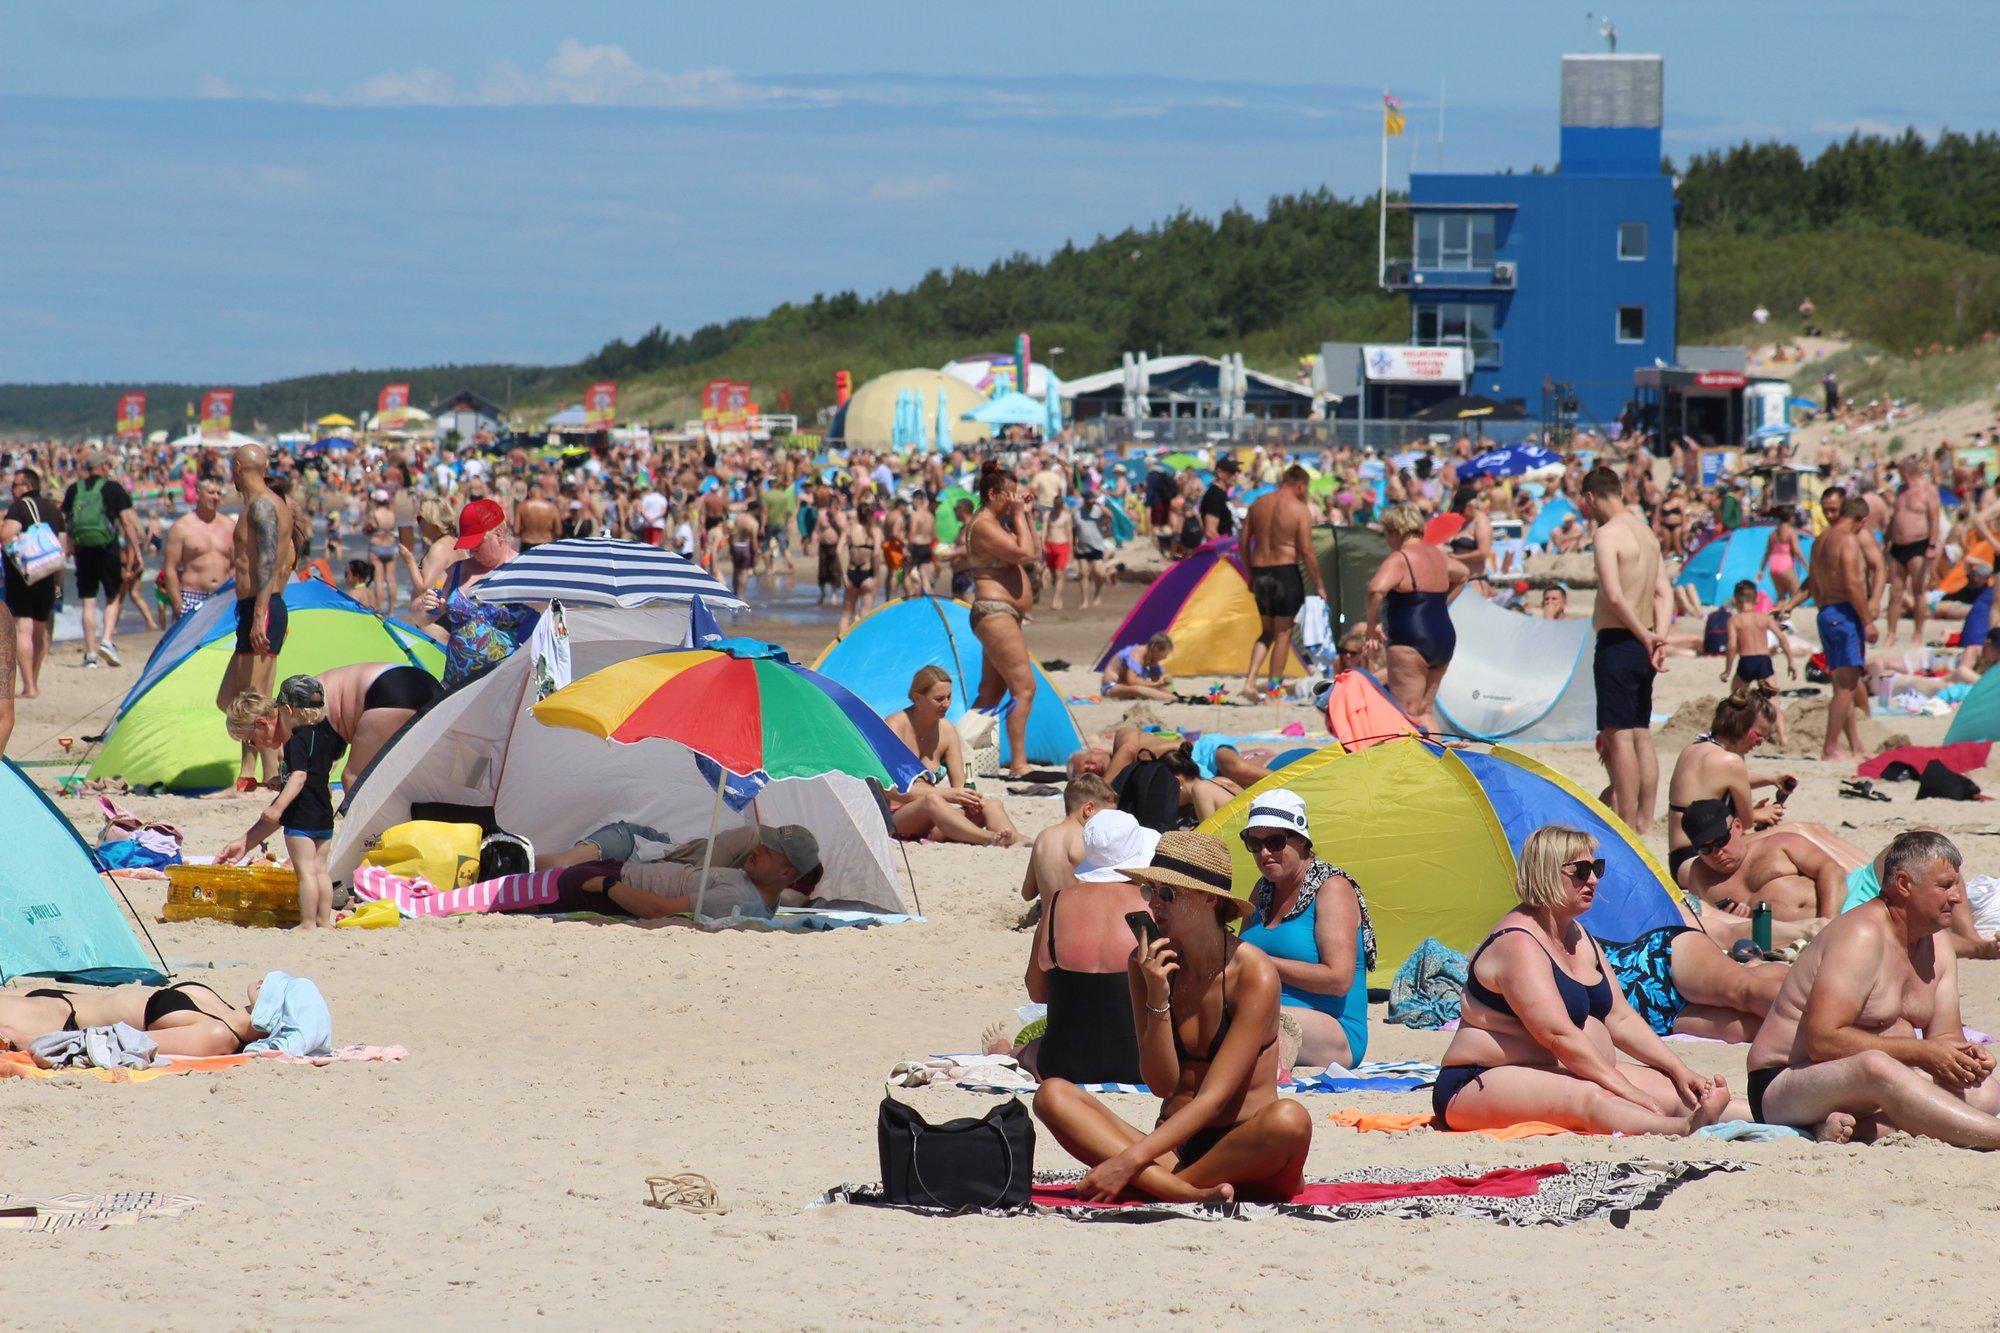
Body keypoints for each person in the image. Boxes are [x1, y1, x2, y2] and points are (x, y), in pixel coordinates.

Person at [1032, 831, 1312, 1203]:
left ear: (1209, 899)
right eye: (1150, 892)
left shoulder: (1253, 974)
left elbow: (1214, 1098)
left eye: (1167, 894)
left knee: (1290, 1119)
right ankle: (1182, 1192)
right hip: (1173, 1151)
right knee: (1051, 1094)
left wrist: (1127, 1161)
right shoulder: (1146, 963)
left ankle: (1156, 1185)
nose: (1154, 906)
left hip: (1246, 1147)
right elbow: (1162, 1084)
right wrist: (1159, 1001)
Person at [1433, 825, 1733, 1135]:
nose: (1593, 879)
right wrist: (1624, 1088)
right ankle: (1683, 1129)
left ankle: (1767, 1114)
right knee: (1593, 1098)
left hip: (1554, 1069)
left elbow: (1619, 1017)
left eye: (1596, 868)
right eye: (1581, 870)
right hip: (1477, 1080)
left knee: (1677, 1092)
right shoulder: (1518, 942)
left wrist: (1677, 1069)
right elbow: (1556, 1034)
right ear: (1547, 873)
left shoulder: (1579, 936)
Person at [1744, 831, 2000, 1146]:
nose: (1957, 898)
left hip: (1872, 1080)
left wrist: (1966, 1060)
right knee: (1876, 1065)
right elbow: (1822, 1041)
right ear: (1904, 884)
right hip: (1787, 1081)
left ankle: (1862, 1129)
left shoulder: (1938, 944)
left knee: (1985, 1091)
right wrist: (1922, 1052)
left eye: (1956, 885)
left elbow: (1945, 1037)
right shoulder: (1860, 936)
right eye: (1945, 886)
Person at [992, 811, 1160, 1082]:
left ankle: (1005, 1053)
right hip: (1143, 1065)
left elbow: (1037, 992)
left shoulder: (1057, 904)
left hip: (1063, 1063)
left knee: (1025, 1051)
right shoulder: (1155, 908)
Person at [1237, 791, 1374, 1068]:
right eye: (1255, 843)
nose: (1264, 853)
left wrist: (1260, 962)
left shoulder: (1332, 888)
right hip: (1265, 1010)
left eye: (1275, 842)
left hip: (1333, 1028)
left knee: (1247, 1020)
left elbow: (1338, 979)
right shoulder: (1262, 889)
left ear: (1301, 841)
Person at [1584, 465, 1671, 835]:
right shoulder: (1647, 533)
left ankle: (1625, 824)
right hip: (1645, 643)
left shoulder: (1607, 534)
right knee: (1641, 732)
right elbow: (1664, 593)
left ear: (1590, 498)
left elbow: (1614, 596)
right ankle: (1645, 820)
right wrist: (1657, 638)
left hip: (1621, 641)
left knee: (1619, 737)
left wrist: (1642, 634)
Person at [219, 676, 343, 930]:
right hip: (323, 815)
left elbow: (299, 776)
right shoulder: (322, 737)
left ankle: (308, 922)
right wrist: (281, 783)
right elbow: (319, 779)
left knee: (305, 872)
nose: (254, 746)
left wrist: (276, 808)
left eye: (250, 741)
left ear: (263, 723)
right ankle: (324, 921)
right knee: (321, 870)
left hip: (302, 818)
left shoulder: (294, 742)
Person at [216, 443, 298, 791]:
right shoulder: (262, 503)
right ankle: (265, 772)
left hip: (260, 607)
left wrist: (261, 612)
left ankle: (263, 775)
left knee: (251, 702)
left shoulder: (263, 504)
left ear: (237, 467)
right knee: (234, 699)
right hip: (258, 607)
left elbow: (269, 561)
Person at [538, 823, 822, 920]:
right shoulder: (747, 840)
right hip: (637, 843)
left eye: (768, 850)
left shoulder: (743, 892)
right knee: (558, 867)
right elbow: (689, 884)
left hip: (631, 872)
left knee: (557, 882)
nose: (759, 848)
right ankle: (502, 858)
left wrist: (610, 885)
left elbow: (670, 907)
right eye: (763, 844)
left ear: (786, 873)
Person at [1663, 684, 1796, 882]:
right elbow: (1747, 821)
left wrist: (1771, 780)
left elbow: (1717, 780)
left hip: (1680, 858)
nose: (1760, 742)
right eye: (1758, 735)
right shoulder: (1731, 762)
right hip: (1701, 859)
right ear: (1741, 726)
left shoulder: (1697, 746)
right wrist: (1760, 814)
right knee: (1795, 833)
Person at [409, 498, 538, 692]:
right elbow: (422, 618)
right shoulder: (457, 572)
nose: (471, 551)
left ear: (499, 535)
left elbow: (549, 624)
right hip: (456, 686)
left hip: (505, 688)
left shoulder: (525, 573)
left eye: (477, 544)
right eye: (468, 545)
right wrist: (423, 607)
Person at [1781, 496, 1875, 760]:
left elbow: (1812, 579)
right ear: (1862, 520)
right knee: (1846, 685)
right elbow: (1852, 583)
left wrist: (1791, 603)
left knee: (1841, 684)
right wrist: (1867, 620)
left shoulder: (1821, 539)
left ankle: (1855, 744)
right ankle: (1830, 748)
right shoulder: (1847, 539)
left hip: (1825, 614)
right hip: (1843, 613)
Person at [882, 665, 1019, 846]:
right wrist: (947, 794)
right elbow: (890, 790)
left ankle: (1016, 840)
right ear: (917, 698)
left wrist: (970, 799)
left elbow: (959, 786)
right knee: (931, 800)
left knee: (991, 805)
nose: (946, 704)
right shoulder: (895, 726)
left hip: (935, 817)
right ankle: (989, 838)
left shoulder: (947, 730)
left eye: (949, 697)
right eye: (939, 699)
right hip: (898, 818)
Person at [963, 462, 1041, 778]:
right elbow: (1024, 555)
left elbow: (1035, 551)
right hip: (993, 613)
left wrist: (1027, 516)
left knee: (990, 693)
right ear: (993, 493)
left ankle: (961, 750)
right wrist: (1020, 515)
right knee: (1024, 688)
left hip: (1003, 614)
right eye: (1008, 495)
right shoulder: (983, 524)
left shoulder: (998, 522)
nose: (1013, 500)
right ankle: (1019, 763)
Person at [1364, 501, 1466, 732]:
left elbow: (1375, 590)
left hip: (1411, 638)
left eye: (1386, 535)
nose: (1387, 542)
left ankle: (1412, 767)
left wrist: (1372, 625)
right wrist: (1441, 604)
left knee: (1406, 714)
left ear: (1395, 531)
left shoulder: (1401, 558)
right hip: (1443, 635)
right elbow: (1463, 575)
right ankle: (1436, 763)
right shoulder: (1438, 555)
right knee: (1425, 711)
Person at [1677, 798, 1852, 921]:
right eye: (1705, 848)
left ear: (1737, 827)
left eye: (1721, 841)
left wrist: (1827, 925)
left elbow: (1832, 870)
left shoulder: (1778, 843)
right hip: (1782, 943)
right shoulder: (1699, 876)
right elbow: (1709, 924)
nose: (1717, 853)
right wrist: (1734, 922)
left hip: (1842, 908)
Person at [1831, 832, 2000, 959]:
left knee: (1927, 839)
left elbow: (1830, 870)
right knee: (1903, 934)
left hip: (1857, 885)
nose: (1957, 897)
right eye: (1946, 886)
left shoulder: (1804, 833)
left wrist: (1828, 920)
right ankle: (1977, 946)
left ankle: (1972, 938)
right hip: (1848, 911)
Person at [0, 978, 268, 1058]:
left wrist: (30, 1041)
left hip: (58, 1018)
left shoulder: (215, 1037)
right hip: (66, 996)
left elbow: (122, 1041)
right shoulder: (222, 1007)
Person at [1238, 466, 1326, 701]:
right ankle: (1273, 689)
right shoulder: (1299, 509)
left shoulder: (1258, 504)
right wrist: (1318, 584)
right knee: (1283, 633)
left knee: (1266, 632)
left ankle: (1249, 681)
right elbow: (1307, 550)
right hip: (1285, 573)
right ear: (1301, 485)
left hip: (1260, 572)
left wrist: (1249, 573)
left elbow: (1243, 542)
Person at [300, 660, 445, 788]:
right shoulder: (314, 690)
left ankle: (360, 819)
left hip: (390, 694)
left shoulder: (307, 716)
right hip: (431, 686)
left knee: (354, 777)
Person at [61, 449, 143, 669]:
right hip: (108, 549)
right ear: (104, 467)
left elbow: (66, 524)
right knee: (112, 597)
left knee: (88, 601)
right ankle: (106, 640)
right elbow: (127, 523)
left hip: (83, 551)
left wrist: (66, 552)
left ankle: (90, 655)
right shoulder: (113, 488)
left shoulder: (73, 489)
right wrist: (137, 551)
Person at [2, 467, 65, 702]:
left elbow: (7, 535)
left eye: (16, 485)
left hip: (23, 576)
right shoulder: (53, 509)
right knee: (40, 630)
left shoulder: (19, 507)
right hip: (48, 575)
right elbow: (63, 547)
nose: (12, 489)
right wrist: (58, 582)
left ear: (28, 487)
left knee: (23, 630)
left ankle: (29, 685)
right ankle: (34, 680)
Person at [1020, 772, 1116, 905]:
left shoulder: (1043, 837)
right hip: (1075, 921)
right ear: (1088, 809)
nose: (1110, 823)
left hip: (1049, 922)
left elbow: (1027, 893)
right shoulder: (1087, 839)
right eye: (1108, 816)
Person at [1882, 458, 1941, 647]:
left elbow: (1934, 518)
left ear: (1907, 471)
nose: (1899, 475)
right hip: (1898, 546)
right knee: (1895, 592)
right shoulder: (1901, 491)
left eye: (1900, 471)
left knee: (1918, 590)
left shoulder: (1927, 490)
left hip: (1918, 545)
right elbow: (1895, 519)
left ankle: (1917, 634)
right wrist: (1886, 541)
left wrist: (1932, 545)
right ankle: (1891, 634)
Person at [160, 477, 236, 622]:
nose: (215, 497)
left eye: (219, 493)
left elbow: (235, 566)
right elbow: (170, 569)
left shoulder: (229, 526)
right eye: (211, 492)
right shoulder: (182, 527)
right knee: (192, 645)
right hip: (192, 596)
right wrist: (178, 604)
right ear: (198, 493)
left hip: (223, 595)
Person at [835, 506, 880, 636]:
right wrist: (876, 576)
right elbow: (876, 554)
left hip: (851, 573)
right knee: (865, 615)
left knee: (846, 614)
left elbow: (838, 551)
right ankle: (861, 647)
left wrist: (843, 574)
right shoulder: (875, 531)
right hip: (868, 574)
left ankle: (840, 647)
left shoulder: (849, 529)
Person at [1101, 633, 1174, 701]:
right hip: (1111, 687)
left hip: (1125, 687)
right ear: (1156, 648)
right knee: (1137, 690)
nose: (1165, 657)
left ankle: (1176, 698)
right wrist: (1156, 684)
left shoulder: (1152, 658)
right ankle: (1174, 699)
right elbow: (1132, 682)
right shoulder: (1136, 654)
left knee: (1149, 689)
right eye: (1165, 654)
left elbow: (1159, 683)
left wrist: (1167, 688)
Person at [1758, 509, 1806, 604]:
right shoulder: (1791, 532)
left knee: (1781, 598)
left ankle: (1779, 617)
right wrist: (1807, 565)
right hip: (1786, 564)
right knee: (1796, 596)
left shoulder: (1773, 533)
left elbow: (1767, 553)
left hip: (1773, 566)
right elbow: (1797, 551)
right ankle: (1790, 618)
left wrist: (1761, 570)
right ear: (1791, 518)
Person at [1198, 457, 1238, 541]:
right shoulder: (1215, 495)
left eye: (1237, 472)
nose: (1235, 476)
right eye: (1232, 472)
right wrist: (1226, 550)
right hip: (1221, 550)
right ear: (1219, 473)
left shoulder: (1221, 493)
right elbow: (1210, 532)